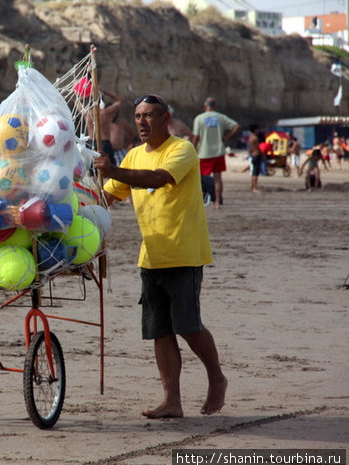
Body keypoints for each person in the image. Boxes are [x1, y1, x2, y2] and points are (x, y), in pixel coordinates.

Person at [93, 94, 227, 419]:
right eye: (137, 116)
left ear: (165, 118)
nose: (141, 122)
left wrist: (114, 169)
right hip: (150, 256)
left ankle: (216, 377)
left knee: (189, 326)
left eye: (149, 115)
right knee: (160, 331)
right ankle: (172, 401)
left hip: (184, 252)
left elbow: (158, 179)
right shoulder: (134, 155)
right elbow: (107, 196)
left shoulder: (182, 150)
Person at [191, 97, 240, 210]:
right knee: (218, 178)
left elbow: (196, 137)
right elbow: (236, 126)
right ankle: (217, 202)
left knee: (200, 179)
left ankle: (200, 200)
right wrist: (226, 137)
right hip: (218, 152)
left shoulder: (199, 118)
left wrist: (192, 150)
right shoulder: (221, 117)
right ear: (215, 106)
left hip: (203, 152)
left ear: (205, 106)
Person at [81, 89, 123, 165]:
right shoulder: (106, 112)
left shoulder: (86, 113)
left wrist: (86, 94)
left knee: (93, 171)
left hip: (91, 143)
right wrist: (105, 92)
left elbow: (77, 102)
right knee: (109, 170)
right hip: (104, 143)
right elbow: (119, 100)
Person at [247, 124, 263, 192]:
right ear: (255, 130)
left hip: (252, 155)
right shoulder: (255, 138)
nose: (258, 131)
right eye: (257, 129)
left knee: (254, 171)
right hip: (256, 155)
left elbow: (250, 148)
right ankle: (254, 187)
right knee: (255, 173)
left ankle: (252, 186)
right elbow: (258, 147)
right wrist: (262, 155)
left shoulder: (250, 137)